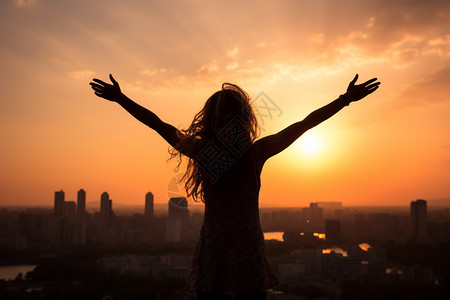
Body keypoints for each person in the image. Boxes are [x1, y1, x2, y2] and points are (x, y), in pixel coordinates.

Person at [89, 74, 380, 299]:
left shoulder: (206, 151)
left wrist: (121, 99)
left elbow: (157, 123)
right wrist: (344, 99)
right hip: (243, 249)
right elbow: (304, 124)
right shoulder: (255, 152)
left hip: (220, 248)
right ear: (245, 118)